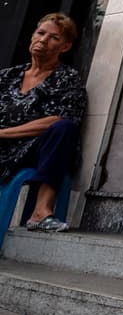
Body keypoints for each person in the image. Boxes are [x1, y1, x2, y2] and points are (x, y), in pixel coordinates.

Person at [0, 14, 86, 232]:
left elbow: (58, 119)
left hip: (34, 151)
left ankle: (40, 212)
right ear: (32, 36)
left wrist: (4, 133)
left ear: (65, 47)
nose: (43, 40)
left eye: (54, 37)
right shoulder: (7, 76)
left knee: (63, 128)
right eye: (40, 33)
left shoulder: (67, 78)